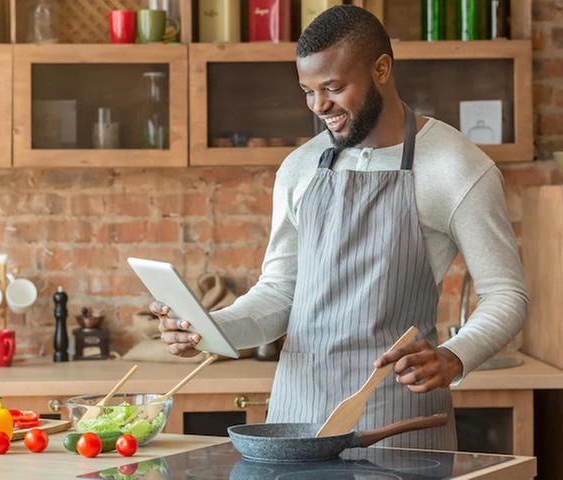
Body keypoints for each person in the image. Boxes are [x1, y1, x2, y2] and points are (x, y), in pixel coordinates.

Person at [151, 5, 527, 450]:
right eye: (308, 91)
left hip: (395, 420)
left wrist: (454, 355)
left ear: (381, 69)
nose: (318, 106)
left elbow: (506, 294)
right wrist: (208, 329)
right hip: (296, 420)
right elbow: (279, 293)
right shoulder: (300, 167)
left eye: (333, 88)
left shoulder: (456, 168)